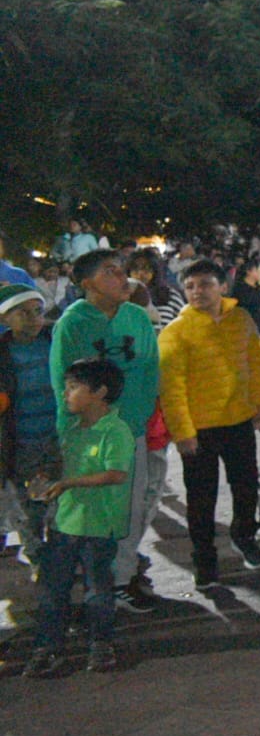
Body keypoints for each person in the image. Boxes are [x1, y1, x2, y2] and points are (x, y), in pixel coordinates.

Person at [50, 250, 161, 614]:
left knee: (130, 506)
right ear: (87, 283)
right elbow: (62, 382)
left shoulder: (136, 318)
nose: (122, 278)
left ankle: (122, 579)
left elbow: (149, 371)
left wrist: (138, 419)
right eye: (110, 272)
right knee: (92, 510)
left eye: (121, 271)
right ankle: (88, 584)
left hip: (129, 430)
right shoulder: (73, 324)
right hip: (89, 434)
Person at [159, 260, 260, 589]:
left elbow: (257, 363)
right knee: (201, 499)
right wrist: (183, 433)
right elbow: (171, 389)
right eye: (190, 286)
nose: (197, 292)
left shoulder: (241, 319)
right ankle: (205, 559)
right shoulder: (176, 332)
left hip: (238, 421)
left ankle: (243, 534)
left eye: (205, 284)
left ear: (222, 286)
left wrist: (258, 404)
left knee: (247, 486)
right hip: (199, 430)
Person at [24, 357, 133, 677]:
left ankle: (100, 643)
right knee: (53, 588)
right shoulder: (70, 431)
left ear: (99, 392)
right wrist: (44, 478)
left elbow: (115, 474)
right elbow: (59, 467)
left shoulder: (115, 430)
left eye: (73, 388)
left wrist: (68, 483)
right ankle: (47, 646)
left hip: (99, 526)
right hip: (65, 524)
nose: (65, 394)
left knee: (98, 590)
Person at [0, 284, 57, 572]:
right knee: (31, 509)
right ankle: (39, 561)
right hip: (23, 445)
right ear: (4, 318)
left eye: (38, 311)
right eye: (23, 312)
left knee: (63, 503)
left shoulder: (55, 339)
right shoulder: (3, 354)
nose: (34, 318)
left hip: (59, 440)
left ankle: (63, 562)